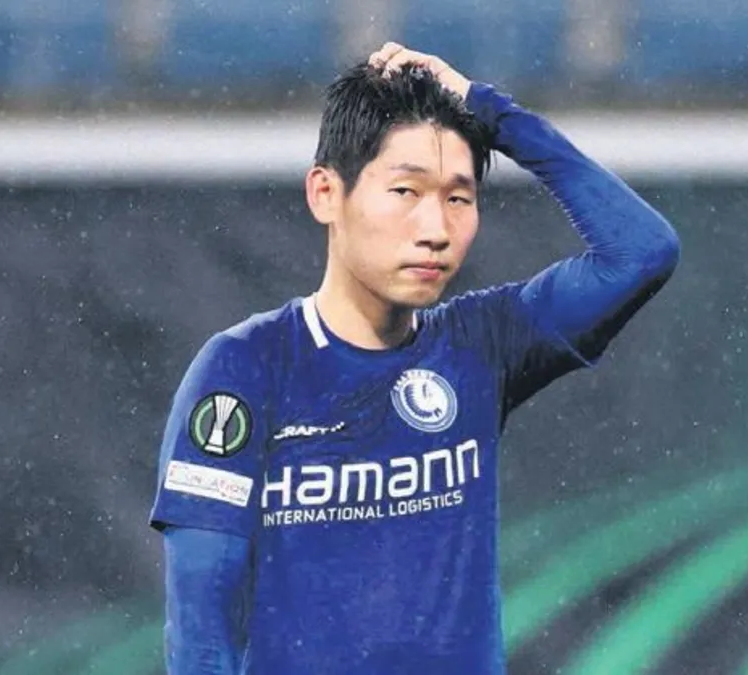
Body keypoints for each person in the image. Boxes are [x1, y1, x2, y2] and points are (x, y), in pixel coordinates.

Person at [148, 42, 681, 675]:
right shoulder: (244, 369)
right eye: (405, 190)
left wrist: (493, 114)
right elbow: (201, 629)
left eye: (458, 198)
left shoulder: (483, 344)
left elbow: (642, 252)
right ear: (325, 193)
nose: (435, 229)